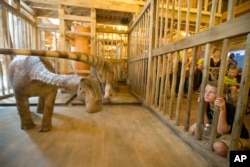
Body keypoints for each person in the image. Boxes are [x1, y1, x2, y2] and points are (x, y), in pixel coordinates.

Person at [189, 81, 249, 157]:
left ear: (222, 95)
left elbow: (222, 131)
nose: (206, 94)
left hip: (235, 135)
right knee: (192, 129)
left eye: (212, 92)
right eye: (206, 91)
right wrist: (203, 107)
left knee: (219, 147)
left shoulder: (230, 108)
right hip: (217, 130)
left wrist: (222, 110)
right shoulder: (207, 104)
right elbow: (206, 123)